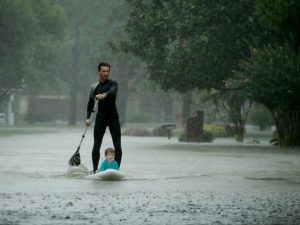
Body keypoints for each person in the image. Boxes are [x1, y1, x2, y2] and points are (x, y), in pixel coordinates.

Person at [85, 62, 122, 174]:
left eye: (107, 71)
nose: (106, 73)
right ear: (99, 72)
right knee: (96, 144)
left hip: (113, 118)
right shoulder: (94, 87)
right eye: (103, 71)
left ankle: (116, 170)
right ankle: (95, 170)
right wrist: (88, 118)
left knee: (117, 145)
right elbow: (90, 104)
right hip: (100, 118)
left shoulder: (113, 84)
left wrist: (104, 95)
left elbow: (112, 92)